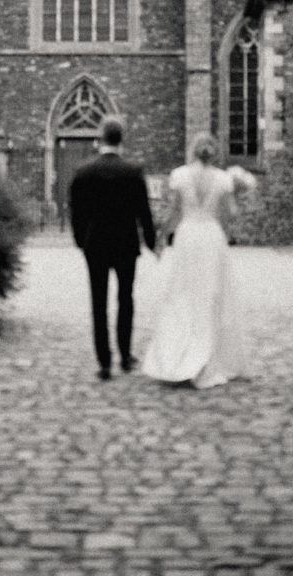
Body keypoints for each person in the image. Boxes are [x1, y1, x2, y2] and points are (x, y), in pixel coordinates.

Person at [142, 133, 252, 389]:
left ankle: (179, 353)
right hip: (211, 238)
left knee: (183, 295)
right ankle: (209, 355)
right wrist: (240, 193)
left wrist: (161, 239)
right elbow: (231, 215)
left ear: (193, 151)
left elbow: (173, 213)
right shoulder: (224, 180)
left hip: (188, 236)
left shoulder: (179, 176)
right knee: (212, 296)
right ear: (213, 153)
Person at [69, 116, 156, 380]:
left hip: (95, 244)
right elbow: (144, 212)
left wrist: (81, 240)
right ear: (121, 140)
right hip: (126, 244)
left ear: (100, 139)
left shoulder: (84, 172)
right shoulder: (133, 172)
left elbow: (76, 212)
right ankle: (126, 355)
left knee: (98, 302)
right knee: (125, 299)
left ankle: (104, 361)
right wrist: (151, 242)